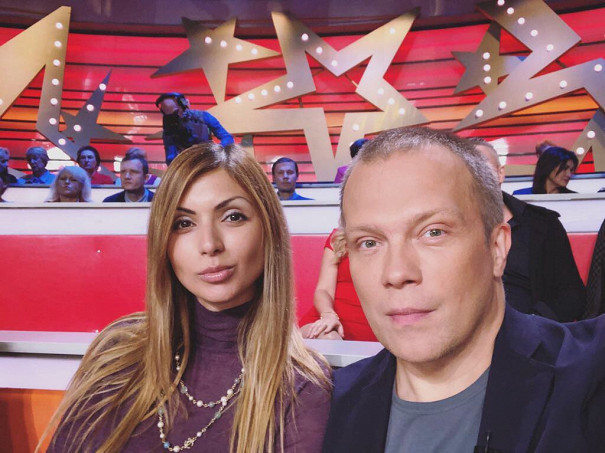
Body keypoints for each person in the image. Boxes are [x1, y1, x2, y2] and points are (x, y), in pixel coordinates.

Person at [322, 127, 605, 453]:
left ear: (497, 249)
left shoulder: (589, 375)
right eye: (369, 242)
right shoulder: (326, 407)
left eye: (433, 232)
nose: (396, 273)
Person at [42, 143, 331, 453]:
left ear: (268, 230)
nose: (209, 244)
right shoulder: (116, 350)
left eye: (233, 217)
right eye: (184, 223)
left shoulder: (300, 386)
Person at [471, 138, 586, 321]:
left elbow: (572, 295)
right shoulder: (444, 230)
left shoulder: (544, 224)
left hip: (532, 330)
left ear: (500, 173)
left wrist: (534, 323)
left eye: (483, 168)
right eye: (467, 171)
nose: (476, 177)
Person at [300, 227, 377, 341]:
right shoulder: (340, 237)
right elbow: (324, 290)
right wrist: (328, 315)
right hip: (330, 322)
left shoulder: (396, 240)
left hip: (375, 329)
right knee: (329, 339)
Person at [156, 92, 234, 165]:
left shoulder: (203, 116)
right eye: (169, 116)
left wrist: (215, 151)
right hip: (188, 164)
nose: (174, 117)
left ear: (183, 104)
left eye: (176, 112)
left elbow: (227, 138)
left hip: (209, 160)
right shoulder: (169, 129)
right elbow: (170, 158)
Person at [513, 146, 579, 195]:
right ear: (548, 167)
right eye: (564, 168)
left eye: (571, 170)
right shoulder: (521, 196)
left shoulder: (574, 199)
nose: (569, 174)